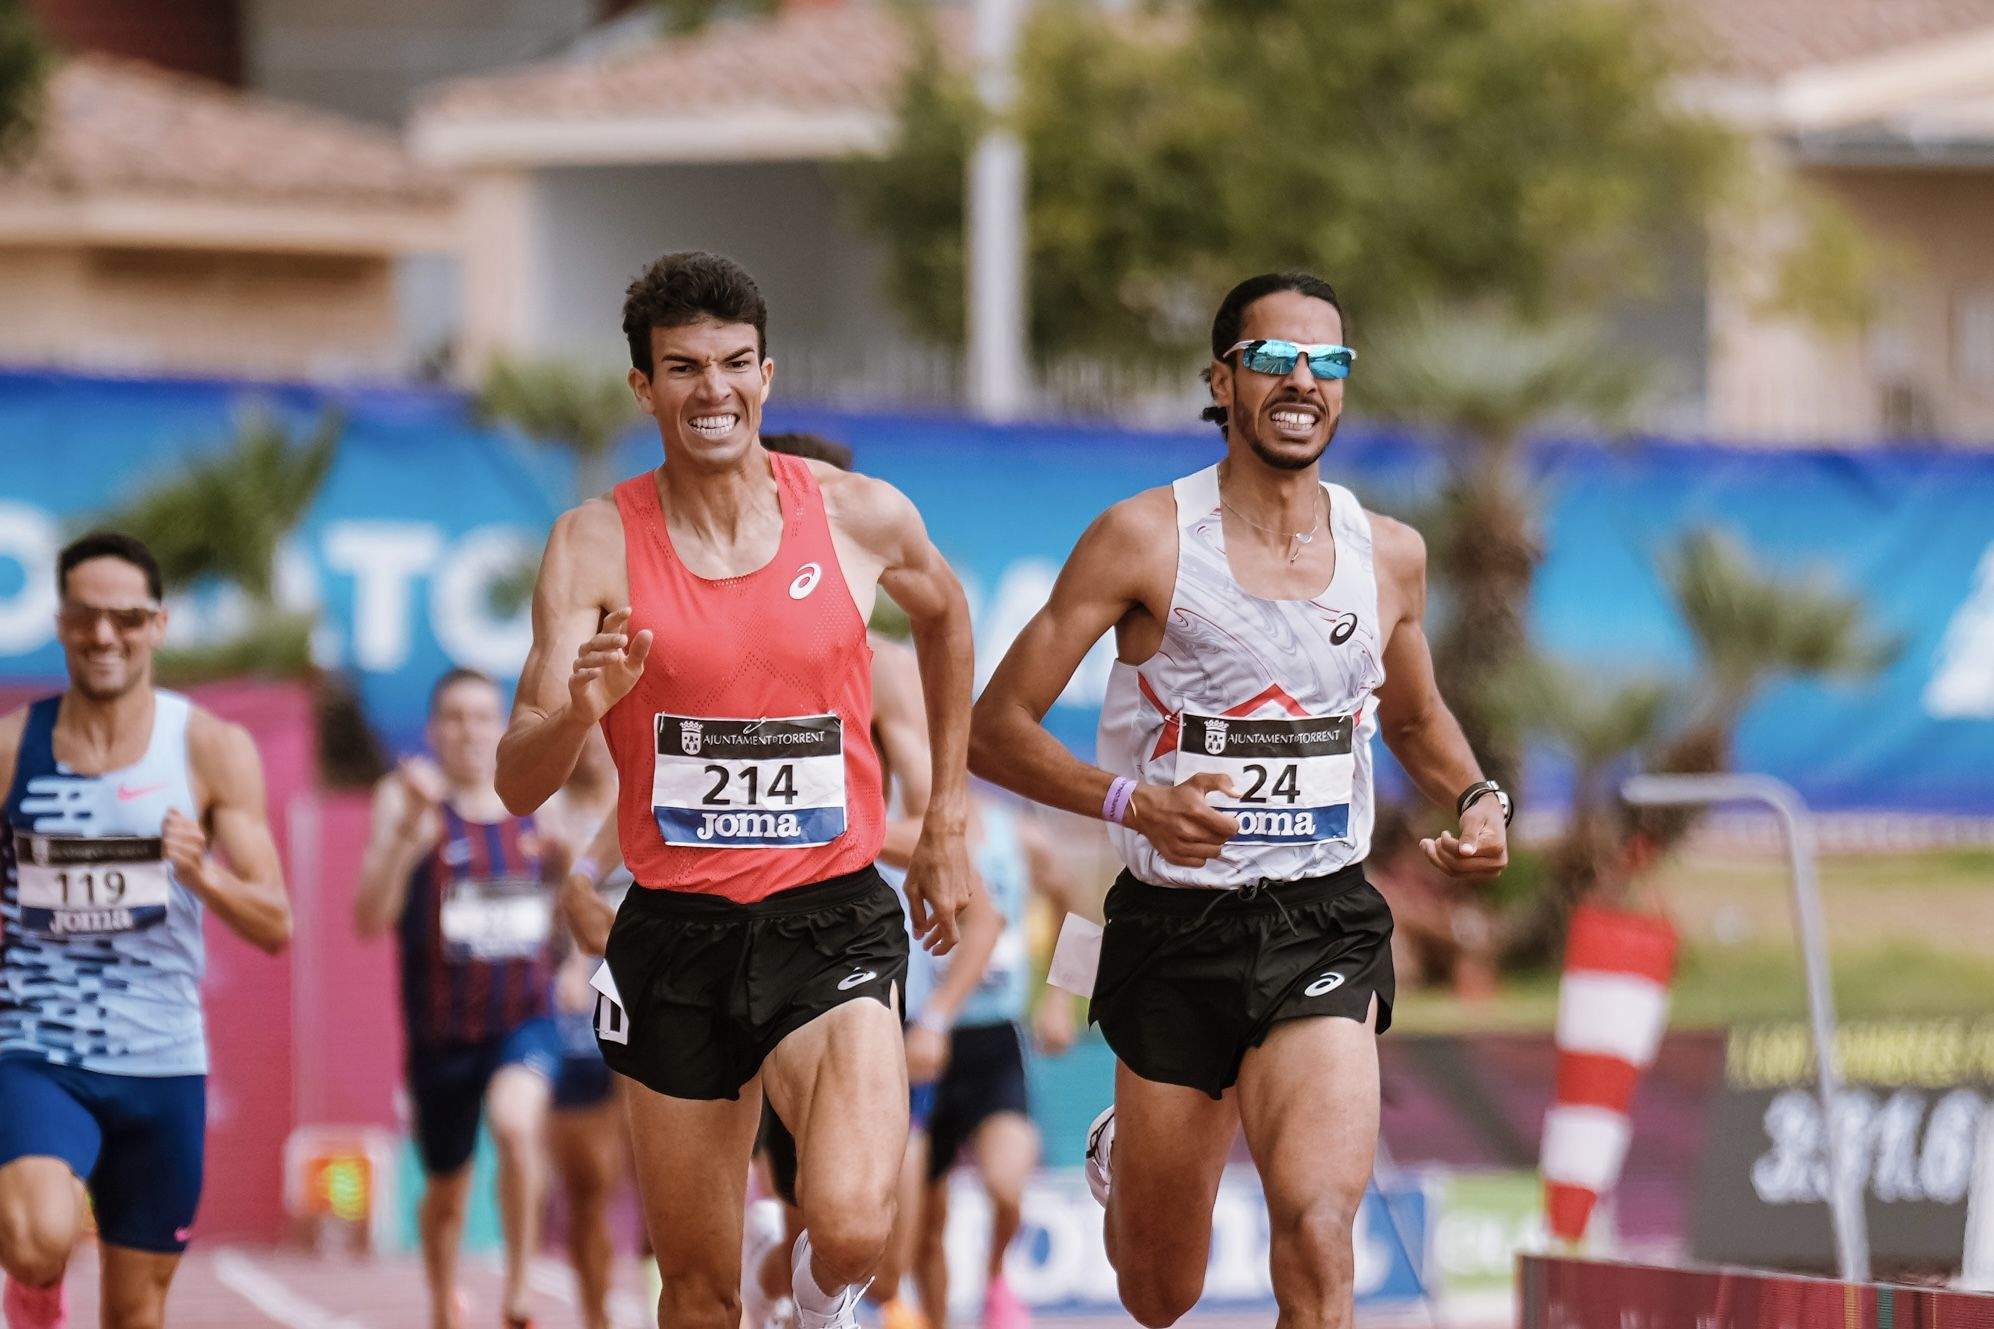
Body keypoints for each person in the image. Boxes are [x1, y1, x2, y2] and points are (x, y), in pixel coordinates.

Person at [969, 272, 1511, 1329]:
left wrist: (1476, 795)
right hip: (1171, 932)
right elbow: (994, 730)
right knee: (1158, 1291)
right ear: (1222, 381)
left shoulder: (1387, 554)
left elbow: (1411, 719)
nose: (1301, 381)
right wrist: (1133, 801)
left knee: (1314, 1226)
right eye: (1272, 360)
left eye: (1327, 363)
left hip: (1320, 921)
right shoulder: (1141, 539)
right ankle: (1129, 1158)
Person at [496, 251, 976, 1329]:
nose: (711, 389)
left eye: (732, 364)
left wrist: (943, 814)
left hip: (829, 915)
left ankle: (811, 1310)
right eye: (681, 368)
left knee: (851, 1225)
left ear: (767, 373)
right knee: (699, 1289)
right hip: (675, 935)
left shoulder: (857, 516)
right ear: (642, 388)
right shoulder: (591, 543)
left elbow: (946, 618)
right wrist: (580, 707)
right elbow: (515, 777)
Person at [0, 531, 292, 1329]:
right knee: (34, 1236)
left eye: (126, 618)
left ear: (157, 625)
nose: (105, 636)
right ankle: (35, 1291)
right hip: (37, 1046)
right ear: (60, 622)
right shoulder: (11, 748)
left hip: (159, 1058)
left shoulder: (209, 748)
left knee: (136, 1313)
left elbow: (276, 922)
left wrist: (203, 875)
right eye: (87, 617)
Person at [355, 668, 565, 1329]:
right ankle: (443, 1301)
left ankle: (520, 1288)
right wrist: (403, 837)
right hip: (441, 1030)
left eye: (482, 716)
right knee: (446, 1191)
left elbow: (561, 895)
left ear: (501, 726)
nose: (469, 730)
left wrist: (573, 953)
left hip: (522, 1018)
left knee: (515, 1123)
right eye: (454, 717)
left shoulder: (536, 800)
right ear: (433, 730)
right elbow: (368, 917)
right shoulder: (407, 799)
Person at [909, 799, 1085, 1329]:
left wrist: (1061, 998)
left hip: (993, 1042)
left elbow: (1078, 907)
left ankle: (995, 1279)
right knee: (926, 1223)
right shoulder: (893, 826)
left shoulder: (1018, 835)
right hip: (916, 1043)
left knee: (1007, 1185)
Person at [535, 730, 628, 1329]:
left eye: (604, 733)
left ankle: (670, 1299)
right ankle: (596, 1316)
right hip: (576, 998)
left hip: (649, 981)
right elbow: (534, 918)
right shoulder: (543, 815)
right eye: (581, 734)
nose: (591, 745)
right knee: (588, 1181)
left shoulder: (646, 793)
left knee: (660, 1170)